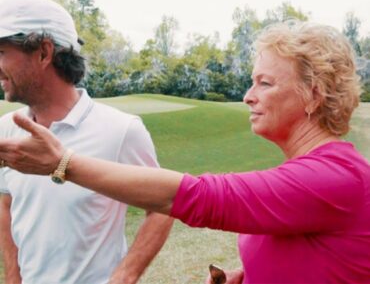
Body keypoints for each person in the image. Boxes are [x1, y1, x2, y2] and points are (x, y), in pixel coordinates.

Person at [0, 21, 369, 284]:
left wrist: (63, 163)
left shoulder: (337, 179)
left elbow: (201, 198)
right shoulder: (315, 173)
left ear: (314, 94)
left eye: (265, 83)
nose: (248, 96)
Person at [0, 0, 173, 284]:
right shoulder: (5, 128)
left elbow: (162, 208)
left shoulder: (121, 130)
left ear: (44, 53)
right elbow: (6, 205)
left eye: (2, 51)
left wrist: (124, 276)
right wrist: (14, 276)